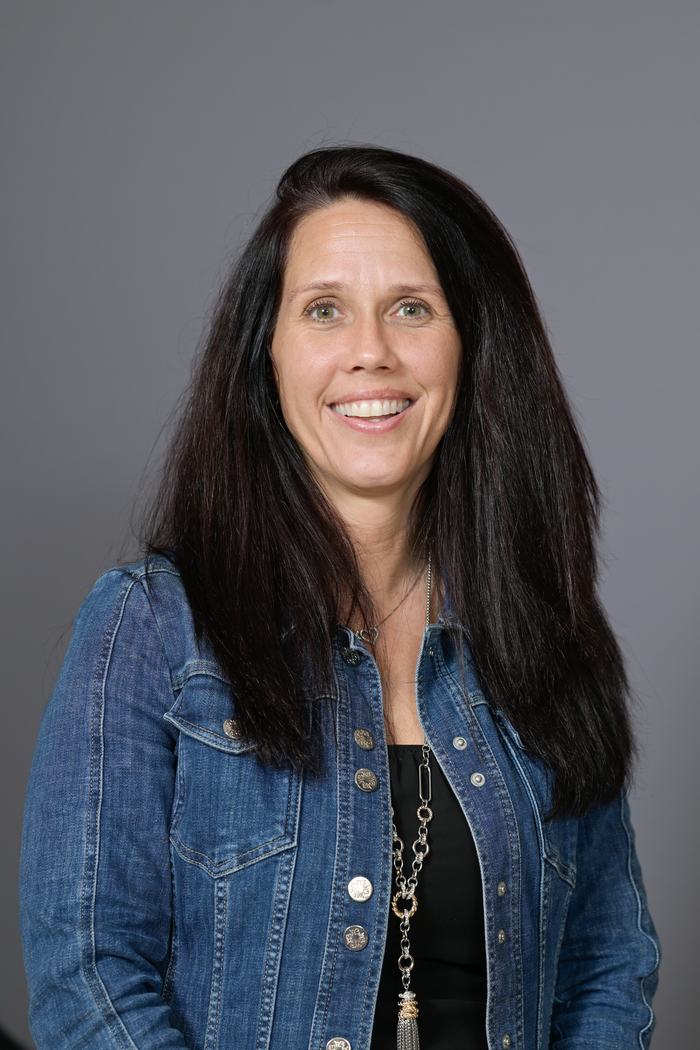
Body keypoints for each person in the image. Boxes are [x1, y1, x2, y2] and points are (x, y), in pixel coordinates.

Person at [19, 144, 662, 1050]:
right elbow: (90, 974)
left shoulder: (548, 641)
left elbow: (607, 964)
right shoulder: (151, 630)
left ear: (471, 346)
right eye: (324, 311)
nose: (371, 352)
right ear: (267, 356)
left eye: (411, 308)